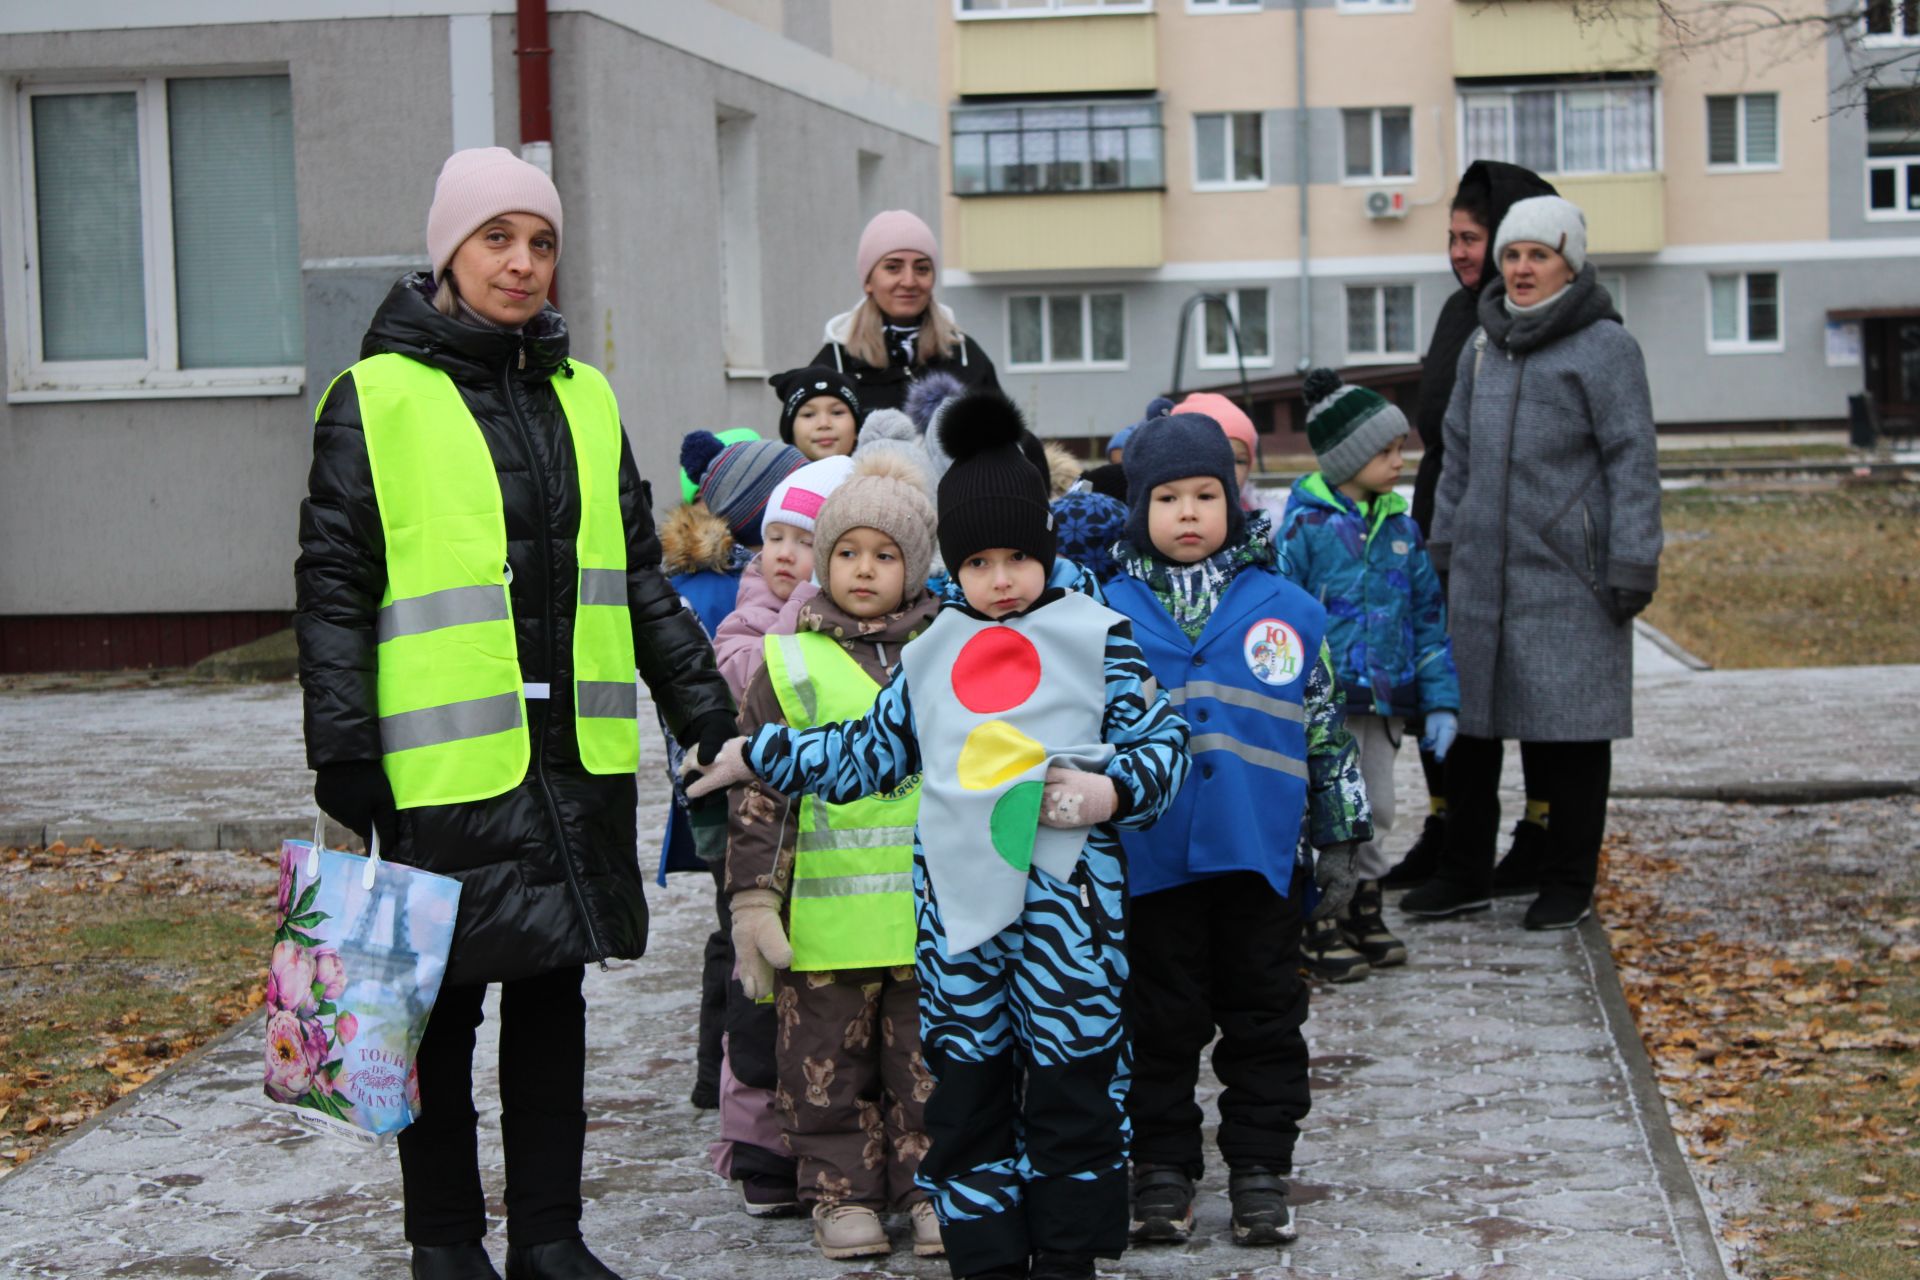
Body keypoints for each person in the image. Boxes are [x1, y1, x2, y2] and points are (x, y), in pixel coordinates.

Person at [294, 146, 737, 1280]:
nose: (523, 262)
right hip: (440, 764)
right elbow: (333, 582)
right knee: (434, 1012)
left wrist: (705, 711)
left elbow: (636, 578)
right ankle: (444, 1241)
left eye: (540, 241)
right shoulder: (376, 398)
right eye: (497, 238)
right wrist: (343, 748)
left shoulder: (586, 398)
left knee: (552, 1000)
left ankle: (550, 1234)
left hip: (569, 759)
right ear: (449, 250)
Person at [683, 389, 1191, 1280]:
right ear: (955, 566)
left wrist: (1111, 792)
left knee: (1073, 1091)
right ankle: (986, 1255)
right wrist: (758, 751)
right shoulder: (933, 654)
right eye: (981, 561)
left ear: (1047, 553)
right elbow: (864, 751)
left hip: (1070, 924)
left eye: (1019, 558)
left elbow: (1165, 744)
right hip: (960, 927)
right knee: (968, 1098)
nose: (1002, 579)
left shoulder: (1099, 636)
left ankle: (1069, 1254)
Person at [1101, 411, 1370, 1249]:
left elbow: (1325, 726)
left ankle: (1259, 1168)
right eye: (1169, 497)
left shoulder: (1287, 610)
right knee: (1156, 1023)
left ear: (1235, 499)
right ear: (1139, 507)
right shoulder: (1101, 612)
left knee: (1264, 1018)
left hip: (1259, 864)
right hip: (1148, 867)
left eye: (1206, 495)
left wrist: (1342, 834)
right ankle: (1163, 1170)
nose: (1188, 513)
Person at [1406, 195, 1663, 931]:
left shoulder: (1606, 348)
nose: (1520, 269)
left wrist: (1631, 561)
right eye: (1512, 255)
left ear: (1569, 263)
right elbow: (1452, 457)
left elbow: (1632, 458)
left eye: (1537, 255)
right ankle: (1464, 872)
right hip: (1482, 573)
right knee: (1473, 730)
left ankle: (1567, 881)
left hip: (1572, 576)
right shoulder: (1483, 346)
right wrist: (1443, 546)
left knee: (1572, 734)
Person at [725, 449, 944, 1262]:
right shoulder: (787, 664)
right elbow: (759, 796)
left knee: (931, 1070)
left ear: (914, 565)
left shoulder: (948, 653)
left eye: (885, 556)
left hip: (931, 926)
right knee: (824, 1073)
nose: (863, 569)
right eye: (847, 551)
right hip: (822, 928)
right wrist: (753, 900)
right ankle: (841, 1194)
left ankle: (933, 1191)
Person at [1388, 160, 1558, 894]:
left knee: (1523, 687)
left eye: (1472, 237)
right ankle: (1447, 825)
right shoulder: (1461, 310)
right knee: (1438, 681)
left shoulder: (1535, 317)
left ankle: (1537, 836)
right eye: (1452, 237)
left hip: (1513, 526)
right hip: (1441, 514)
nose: (1459, 252)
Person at [1278, 370, 1460, 980]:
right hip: (1323, 707)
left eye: (1399, 448)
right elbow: (1281, 620)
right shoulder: (1303, 532)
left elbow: (1428, 621)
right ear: (1349, 458)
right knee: (1326, 808)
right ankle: (1319, 913)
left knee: (1377, 806)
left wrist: (1439, 701)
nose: (1398, 461)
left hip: (1383, 702)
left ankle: (1363, 904)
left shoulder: (1403, 531)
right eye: (1386, 451)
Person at [813, 211, 1000, 413]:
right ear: (868, 281)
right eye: (893, 267)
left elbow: (1005, 435)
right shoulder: (837, 361)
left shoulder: (965, 356)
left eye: (922, 269)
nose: (909, 282)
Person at [768, 365, 865, 462]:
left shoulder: (876, 474)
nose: (824, 424)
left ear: (857, 428)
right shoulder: (773, 477)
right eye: (808, 414)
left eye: (837, 412)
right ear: (790, 431)